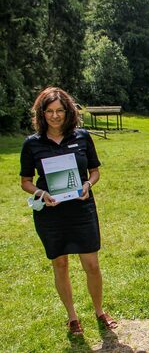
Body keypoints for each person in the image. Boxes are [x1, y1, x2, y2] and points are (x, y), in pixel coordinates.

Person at [20, 87, 117, 335]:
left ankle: (99, 311)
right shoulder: (32, 144)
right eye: (49, 111)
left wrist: (87, 184)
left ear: (68, 111)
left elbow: (95, 171)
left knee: (92, 264)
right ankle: (72, 317)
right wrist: (41, 194)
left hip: (81, 208)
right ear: (42, 114)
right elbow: (26, 181)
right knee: (60, 264)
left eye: (59, 110)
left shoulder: (83, 137)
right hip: (51, 213)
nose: (55, 116)